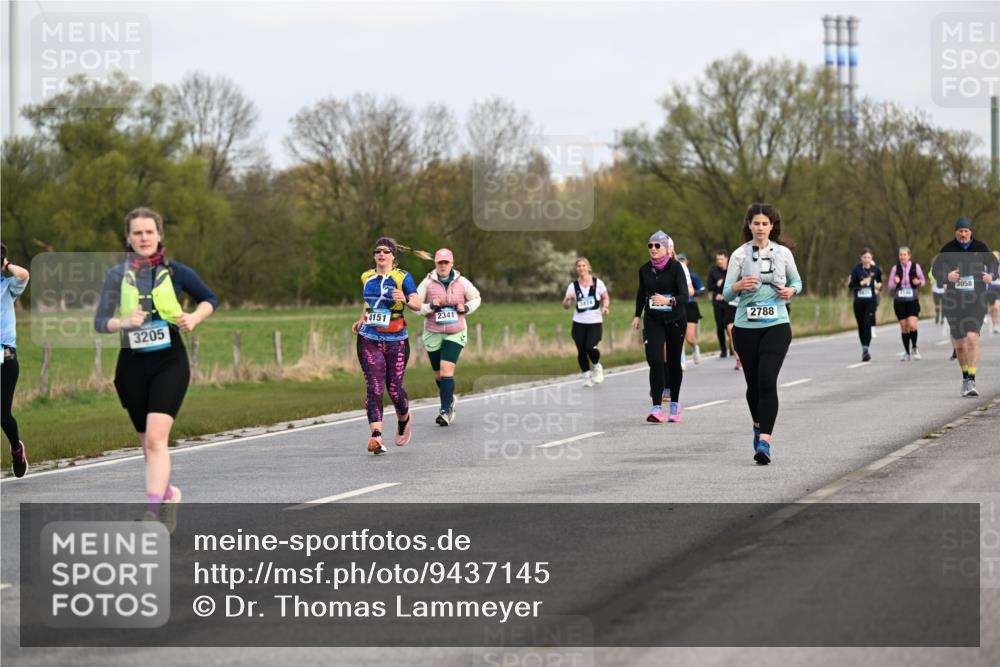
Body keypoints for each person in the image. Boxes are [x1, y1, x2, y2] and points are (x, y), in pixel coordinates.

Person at [94, 208, 217, 526]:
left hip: (169, 362)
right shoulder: (116, 275)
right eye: (137, 233)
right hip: (132, 366)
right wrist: (124, 321)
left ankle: (153, 515)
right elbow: (99, 322)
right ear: (128, 238)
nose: (144, 238)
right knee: (147, 443)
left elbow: (208, 298)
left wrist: (194, 317)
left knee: (155, 439)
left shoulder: (177, 272)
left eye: (149, 232)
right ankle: (167, 495)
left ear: (159, 235)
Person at [723, 203, 802, 465]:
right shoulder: (738, 255)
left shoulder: (783, 253)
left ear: (772, 226)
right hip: (745, 327)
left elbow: (797, 282)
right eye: (756, 223)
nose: (760, 227)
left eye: (765, 223)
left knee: (767, 380)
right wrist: (738, 284)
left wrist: (791, 291)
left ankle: (765, 442)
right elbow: (726, 294)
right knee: (753, 386)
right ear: (749, 225)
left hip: (777, 324)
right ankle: (758, 425)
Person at [352, 237, 422, 453]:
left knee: (394, 389)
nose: (381, 254)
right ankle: (376, 436)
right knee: (374, 387)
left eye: (386, 251)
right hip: (369, 337)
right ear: (374, 256)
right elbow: (369, 303)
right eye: (378, 251)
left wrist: (406, 299)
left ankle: (404, 418)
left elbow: (417, 304)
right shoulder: (366, 276)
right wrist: (362, 319)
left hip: (396, 340)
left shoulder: (403, 277)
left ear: (393, 256)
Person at [932, 218, 997, 397]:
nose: (963, 234)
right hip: (954, 302)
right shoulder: (947, 249)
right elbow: (935, 271)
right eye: (960, 231)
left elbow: (994, 264)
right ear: (955, 232)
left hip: (976, 300)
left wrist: (990, 275)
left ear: (970, 231)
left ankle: (972, 380)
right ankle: (965, 378)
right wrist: (947, 276)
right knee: (960, 345)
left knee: (972, 337)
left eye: (966, 231)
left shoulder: (981, 247)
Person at [417, 248, 481, 425]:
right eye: (440, 263)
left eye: (446, 262)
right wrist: (430, 306)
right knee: (439, 375)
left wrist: (466, 308)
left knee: (446, 370)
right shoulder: (427, 283)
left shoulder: (462, 282)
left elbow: (477, 298)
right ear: (436, 264)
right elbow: (415, 306)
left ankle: (445, 411)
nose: (443, 266)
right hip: (433, 333)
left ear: (452, 263)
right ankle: (449, 398)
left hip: (456, 331)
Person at [632, 231, 689, 423]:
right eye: (650, 246)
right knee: (655, 360)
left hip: (675, 319)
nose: (653, 249)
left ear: (666, 248)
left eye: (658, 245)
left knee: (673, 362)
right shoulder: (644, 269)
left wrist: (668, 300)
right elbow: (641, 293)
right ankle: (656, 408)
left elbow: (684, 296)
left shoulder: (676, 268)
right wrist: (637, 315)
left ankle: (674, 404)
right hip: (653, 319)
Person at [1, 243, 30, 478]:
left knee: (2, 416)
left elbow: (23, 274)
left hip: (6, 359)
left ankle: (16, 449)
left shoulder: (8, 287)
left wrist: (6, 264)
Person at [562, 257, 610, 387]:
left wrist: (605, 307)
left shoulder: (598, 283)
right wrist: (567, 300)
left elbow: (605, 297)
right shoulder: (573, 286)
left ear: (588, 267)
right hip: (579, 322)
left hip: (594, 321)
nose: (581, 268)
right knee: (581, 350)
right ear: (576, 269)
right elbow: (566, 306)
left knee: (590, 347)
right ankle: (586, 376)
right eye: (578, 266)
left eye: (583, 265)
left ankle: (597, 366)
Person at [887, 246, 925, 361]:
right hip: (899, 301)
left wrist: (918, 282)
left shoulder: (915, 267)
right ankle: (907, 352)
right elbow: (890, 286)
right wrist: (895, 282)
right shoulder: (895, 268)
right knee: (904, 327)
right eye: (900, 255)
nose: (902, 257)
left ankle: (914, 347)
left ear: (909, 256)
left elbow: (923, 281)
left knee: (912, 325)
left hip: (912, 300)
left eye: (904, 254)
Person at [848, 248, 881, 362]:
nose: (866, 260)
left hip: (871, 301)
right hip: (858, 302)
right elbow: (851, 286)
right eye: (864, 257)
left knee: (867, 324)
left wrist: (878, 287)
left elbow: (880, 280)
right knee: (861, 325)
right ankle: (864, 348)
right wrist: (861, 283)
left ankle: (866, 350)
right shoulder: (856, 270)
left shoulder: (875, 269)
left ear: (872, 258)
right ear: (861, 258)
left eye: (868, 257)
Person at [677, 253, 704, 365]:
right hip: (678, 306)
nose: (681, 262)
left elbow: (702, 290)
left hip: (691, 306)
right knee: (679, 336)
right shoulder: (674, 275)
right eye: (679, 260)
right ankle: (682, 361)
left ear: (687, 262)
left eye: (683, 260)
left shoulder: (692, 275)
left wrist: (691, 293)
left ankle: (695, 347)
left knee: (689, 337)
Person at [708, 250, 735, 359]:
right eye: (717, 259)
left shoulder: (732, 270)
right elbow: (709, 287)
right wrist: (716, 284)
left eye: (721, 259)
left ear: (727, 258)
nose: (719, 261)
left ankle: (732, 348)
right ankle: (723, 350)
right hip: (718, 303)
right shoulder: (713, 271)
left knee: (730, 326)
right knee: (720, 327)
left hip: (730, 302)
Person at [988, 251, 1000, 334]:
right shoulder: (988, 266)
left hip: (999, 289)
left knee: (996, 307)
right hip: (990, 289)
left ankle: (998, 325)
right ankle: (994, 324)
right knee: (992, 308)